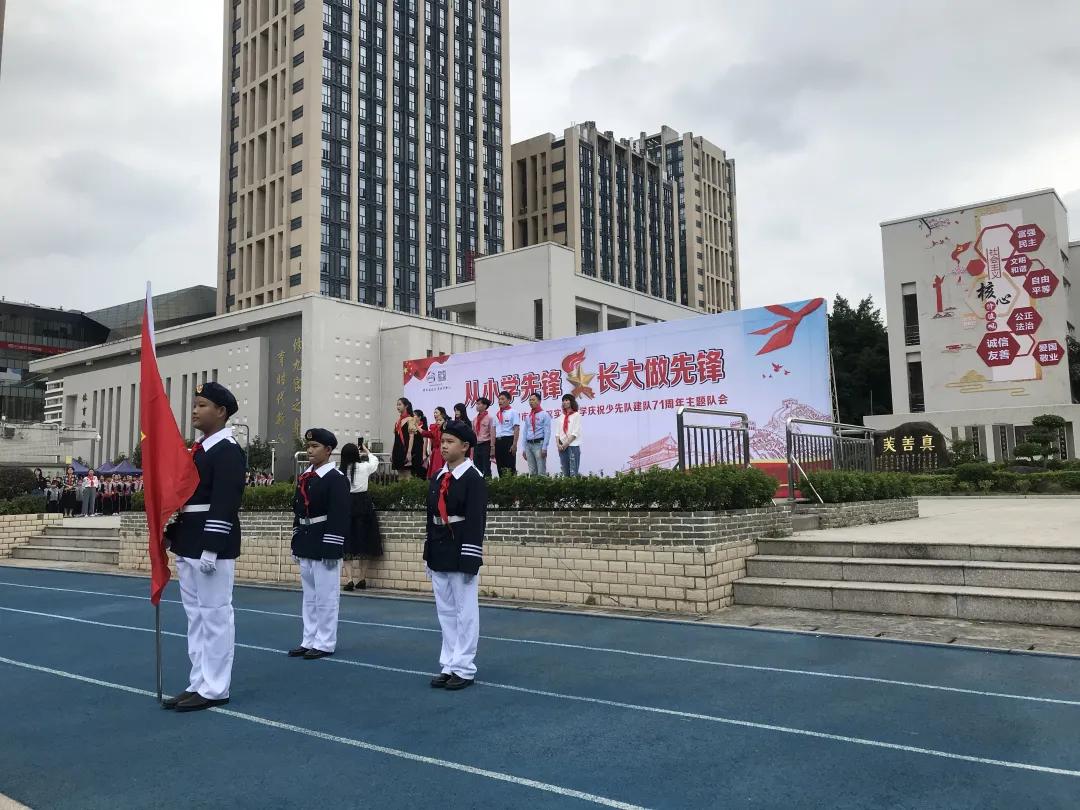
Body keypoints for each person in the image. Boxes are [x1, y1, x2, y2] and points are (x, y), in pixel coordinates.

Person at [162, 382, 246, 713]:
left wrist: (211, 547)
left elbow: (225, 501)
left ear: (221, 411)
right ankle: (198, 681)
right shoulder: (199, 450)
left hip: (211, 543)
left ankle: (215, 687)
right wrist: (173, 532)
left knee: (215, 616)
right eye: (195, 404)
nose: (195, 410)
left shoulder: (227, 450)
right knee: (196, 617)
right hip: (189, 539)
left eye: (202, 405)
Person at [425, 419, 487, 691]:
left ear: (465, 446)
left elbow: (476, 521)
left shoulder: (473, 478)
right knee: (446, 612)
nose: (444, 446)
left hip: (460, 547)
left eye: (450, 442)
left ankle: (464, 667)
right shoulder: (438, 476)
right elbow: (430, 517)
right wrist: (428, 552)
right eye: (443, 441)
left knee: (465, 611)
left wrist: (470, 557)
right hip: (439, 547)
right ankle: (449, 663)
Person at [289, 428, 350, 660]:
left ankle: (324, 641)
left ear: (328, 450)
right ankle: (309, 639)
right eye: (308, 446)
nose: (310, 450)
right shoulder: (306, 476)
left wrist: (332, 546)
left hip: (324, 540)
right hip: (307, 539)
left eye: (315, 446)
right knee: (310, 596)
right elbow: (298, 509)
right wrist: (296, 537)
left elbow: (339, 514)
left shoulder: (336, 478)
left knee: (326, 596)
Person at [339, 440, 383, 591]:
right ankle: (362, 579)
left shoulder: (340, 471)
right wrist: (366, 450)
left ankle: (349, 579)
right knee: (365, 540)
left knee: (347, 542)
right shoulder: (364, 467)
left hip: (347, 505)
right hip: (364, 504)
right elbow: (375, 461)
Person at [520, 393, 551, 476]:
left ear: (539, 401)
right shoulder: (528, 416)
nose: (531, 402)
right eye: (530, 400)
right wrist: (524, 448)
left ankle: (542, 484)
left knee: (541, 471)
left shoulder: (544, 414)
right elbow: (525, 433)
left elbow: (547, 432)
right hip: (528, 445)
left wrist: (544, 447)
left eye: (533, 400)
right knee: (532, 471)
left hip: (539, 444)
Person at [493, 390, 520, 477]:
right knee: (500, 467)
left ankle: (512, 485)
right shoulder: (497, 414)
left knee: (510, 467)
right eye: (499, 399)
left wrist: (514, 444)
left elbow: (516, 429)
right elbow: (493, 431)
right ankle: (502, 484)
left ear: (508, 400)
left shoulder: (513, 412)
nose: (500, 401)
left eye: (502, 399)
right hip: (498, 442)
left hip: (508, 440)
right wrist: (492, 446)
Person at [417, 406, 448, 479]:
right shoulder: (434, 429)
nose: (438, 421)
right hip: (436, 453)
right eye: (437, 420)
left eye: (436, 412)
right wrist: (416, 425)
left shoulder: (447, 431)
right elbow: (425, 433)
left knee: (443, 474)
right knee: (436, 474)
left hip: (444, 452)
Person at [556, 394, 583, 477]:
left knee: (573, 472)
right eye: (563, 401)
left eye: (566, 400)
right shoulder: (561, 416)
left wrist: (566, 444)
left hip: (572, 446)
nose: (564, 402)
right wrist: (558, 444)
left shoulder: (576, 415)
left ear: (572, 402)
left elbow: (575, 433)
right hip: (562, 447)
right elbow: (557, 433)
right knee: (565, 472)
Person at [391, 398, 416, 480]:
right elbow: (395, 438)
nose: (397, 407)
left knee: (407, 474)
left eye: (400, 404)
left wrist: (409, 452)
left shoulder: (410, 419)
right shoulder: (397, 421)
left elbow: (411, 437)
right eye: (397, 405)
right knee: (400, 475)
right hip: (397, 449)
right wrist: (392, 452)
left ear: (406, 406)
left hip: (406, 449)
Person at [472, 397, 495, 478]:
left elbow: (492, 433)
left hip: (486, 445)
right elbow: (474, 434)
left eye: (479, 404)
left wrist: (492, 447)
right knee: (477, 468)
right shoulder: (475, 419)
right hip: (476, 446)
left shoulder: (490, 418)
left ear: (485, 406)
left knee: (486, 467)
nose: (477, 406)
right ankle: (479, 484)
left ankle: (488, 484)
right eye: (476, 404)